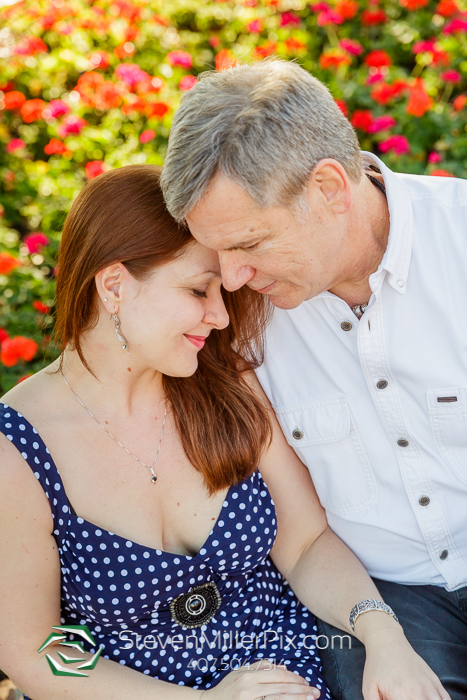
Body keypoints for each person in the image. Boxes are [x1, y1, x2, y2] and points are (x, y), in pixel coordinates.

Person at [0, 165, 443, 700]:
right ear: (114, 286)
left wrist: (382, 634)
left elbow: (305, 545)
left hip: (287, 679)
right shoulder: (18, 446)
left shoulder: (222, 380)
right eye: (197, 291)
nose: (219, 317)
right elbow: (37, 652)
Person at [160, 59, 467, 699]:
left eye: (251, 243)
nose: (233, 278)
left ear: (330, 187)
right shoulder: (236, 317)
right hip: (384, 598)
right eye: (219, 255)